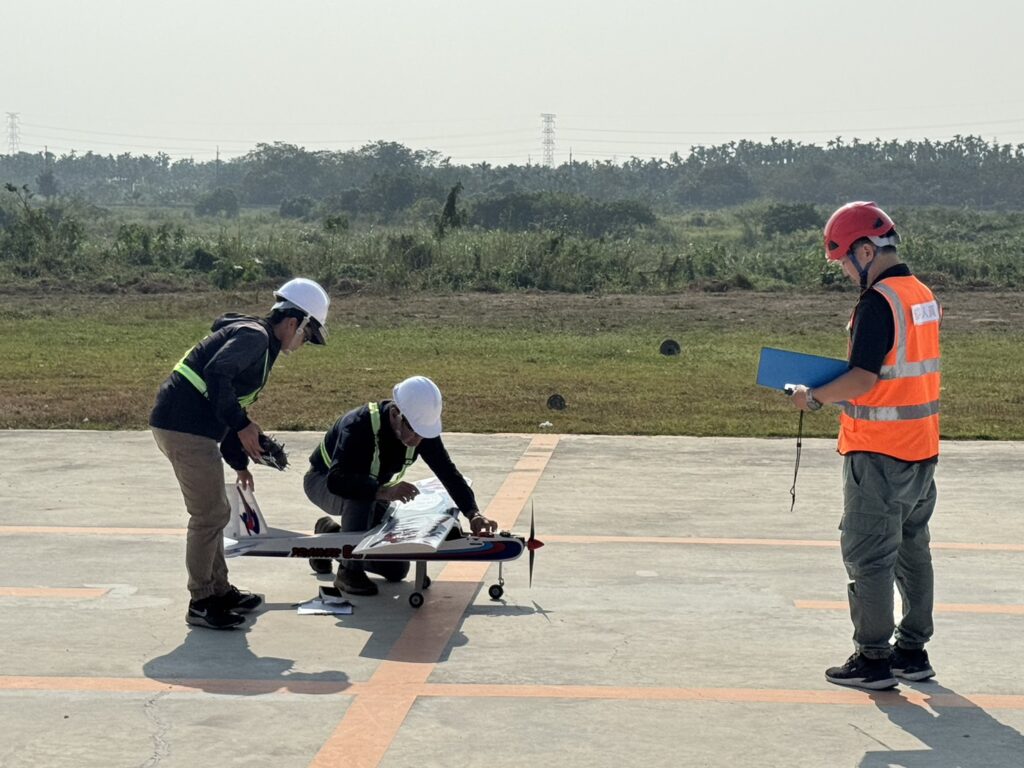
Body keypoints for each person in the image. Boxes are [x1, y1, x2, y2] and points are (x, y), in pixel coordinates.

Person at [789, 202, 941, 690]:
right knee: (912, 550)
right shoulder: (920, 294)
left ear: (865, 249)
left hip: (878, 451)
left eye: (844, 262)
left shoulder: (878, 302)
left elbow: (861, 379)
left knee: (869, 554)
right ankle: (912, 652)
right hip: (920, 447)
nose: (844, 272)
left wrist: (811, 397)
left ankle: (873, 658)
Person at [150, 278, 330, 630]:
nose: (303, 343)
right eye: (307, 336)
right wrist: (244, 425)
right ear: (293, 323)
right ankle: (202, 601)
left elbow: (225, 399)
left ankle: (219, 590)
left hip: (192, 426)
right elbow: (218, 375)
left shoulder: (258, 343)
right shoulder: (255, 338)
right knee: (208, 516)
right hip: (184, 427)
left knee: (216, 512)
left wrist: (239, 461)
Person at [303, 375, 498, 595]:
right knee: (363, 498)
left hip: (371, 493)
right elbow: (337, 481)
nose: (417, 440)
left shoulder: (419, 430)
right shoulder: (358, 425)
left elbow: (448, 473)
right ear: (396, 414)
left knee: (396, 568)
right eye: (414, 431)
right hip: (323, 482)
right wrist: (383, 491)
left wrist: (473, 513)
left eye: (424, 434)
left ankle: (330, 540)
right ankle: (349, 572)